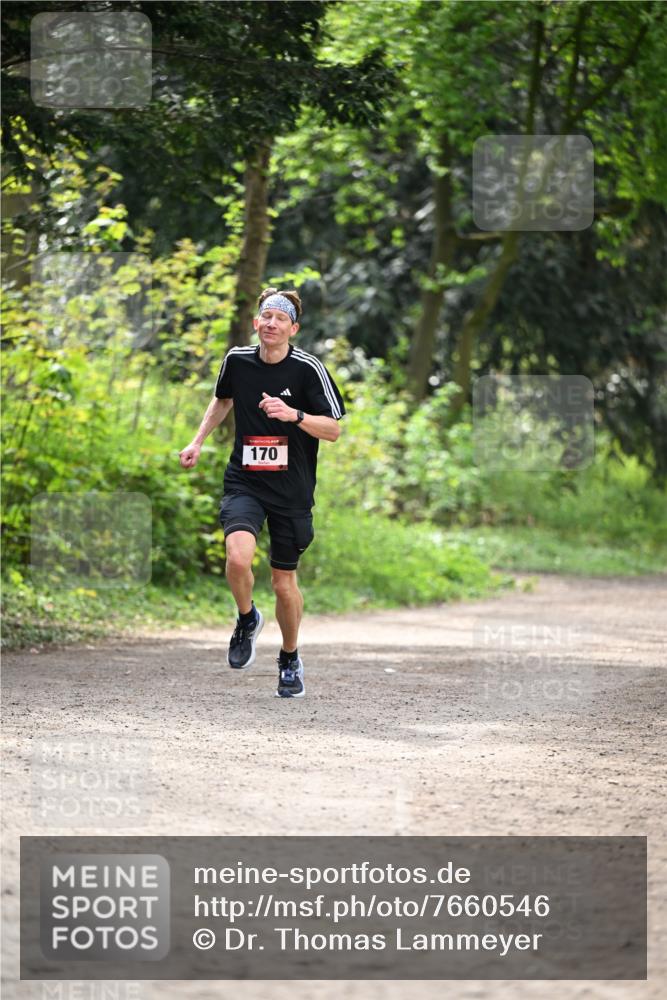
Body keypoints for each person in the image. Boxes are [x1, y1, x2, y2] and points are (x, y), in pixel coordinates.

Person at [179, 288, 345, 698]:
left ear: (293, 328)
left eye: (280, 319)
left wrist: (295, 415)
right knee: (237, 557)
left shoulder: (308, 369)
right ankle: (247, 618)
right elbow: (222, 401)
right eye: (265, 317)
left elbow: (334, 429)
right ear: (256, 323)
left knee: (283, 582)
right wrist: (197, 441)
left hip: (292, 489)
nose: (271, 324)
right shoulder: (237, 360)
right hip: (246, 480)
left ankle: (289, 657)